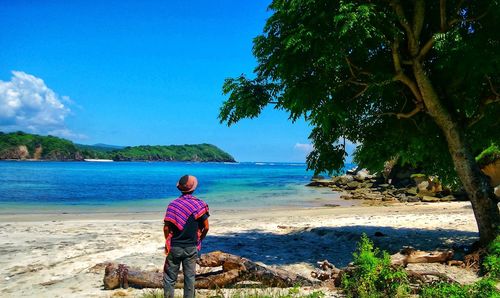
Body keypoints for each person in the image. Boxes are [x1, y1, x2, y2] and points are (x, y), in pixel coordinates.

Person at [163, 175, 209, 298]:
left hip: (175, 246)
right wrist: (200, 239)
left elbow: (166, 227)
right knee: (189, 278)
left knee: (169, 278)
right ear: (193, 189)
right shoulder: (199, 205)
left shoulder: (173, 205)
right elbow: (206, 227)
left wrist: (168, 240)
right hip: (191, 247)